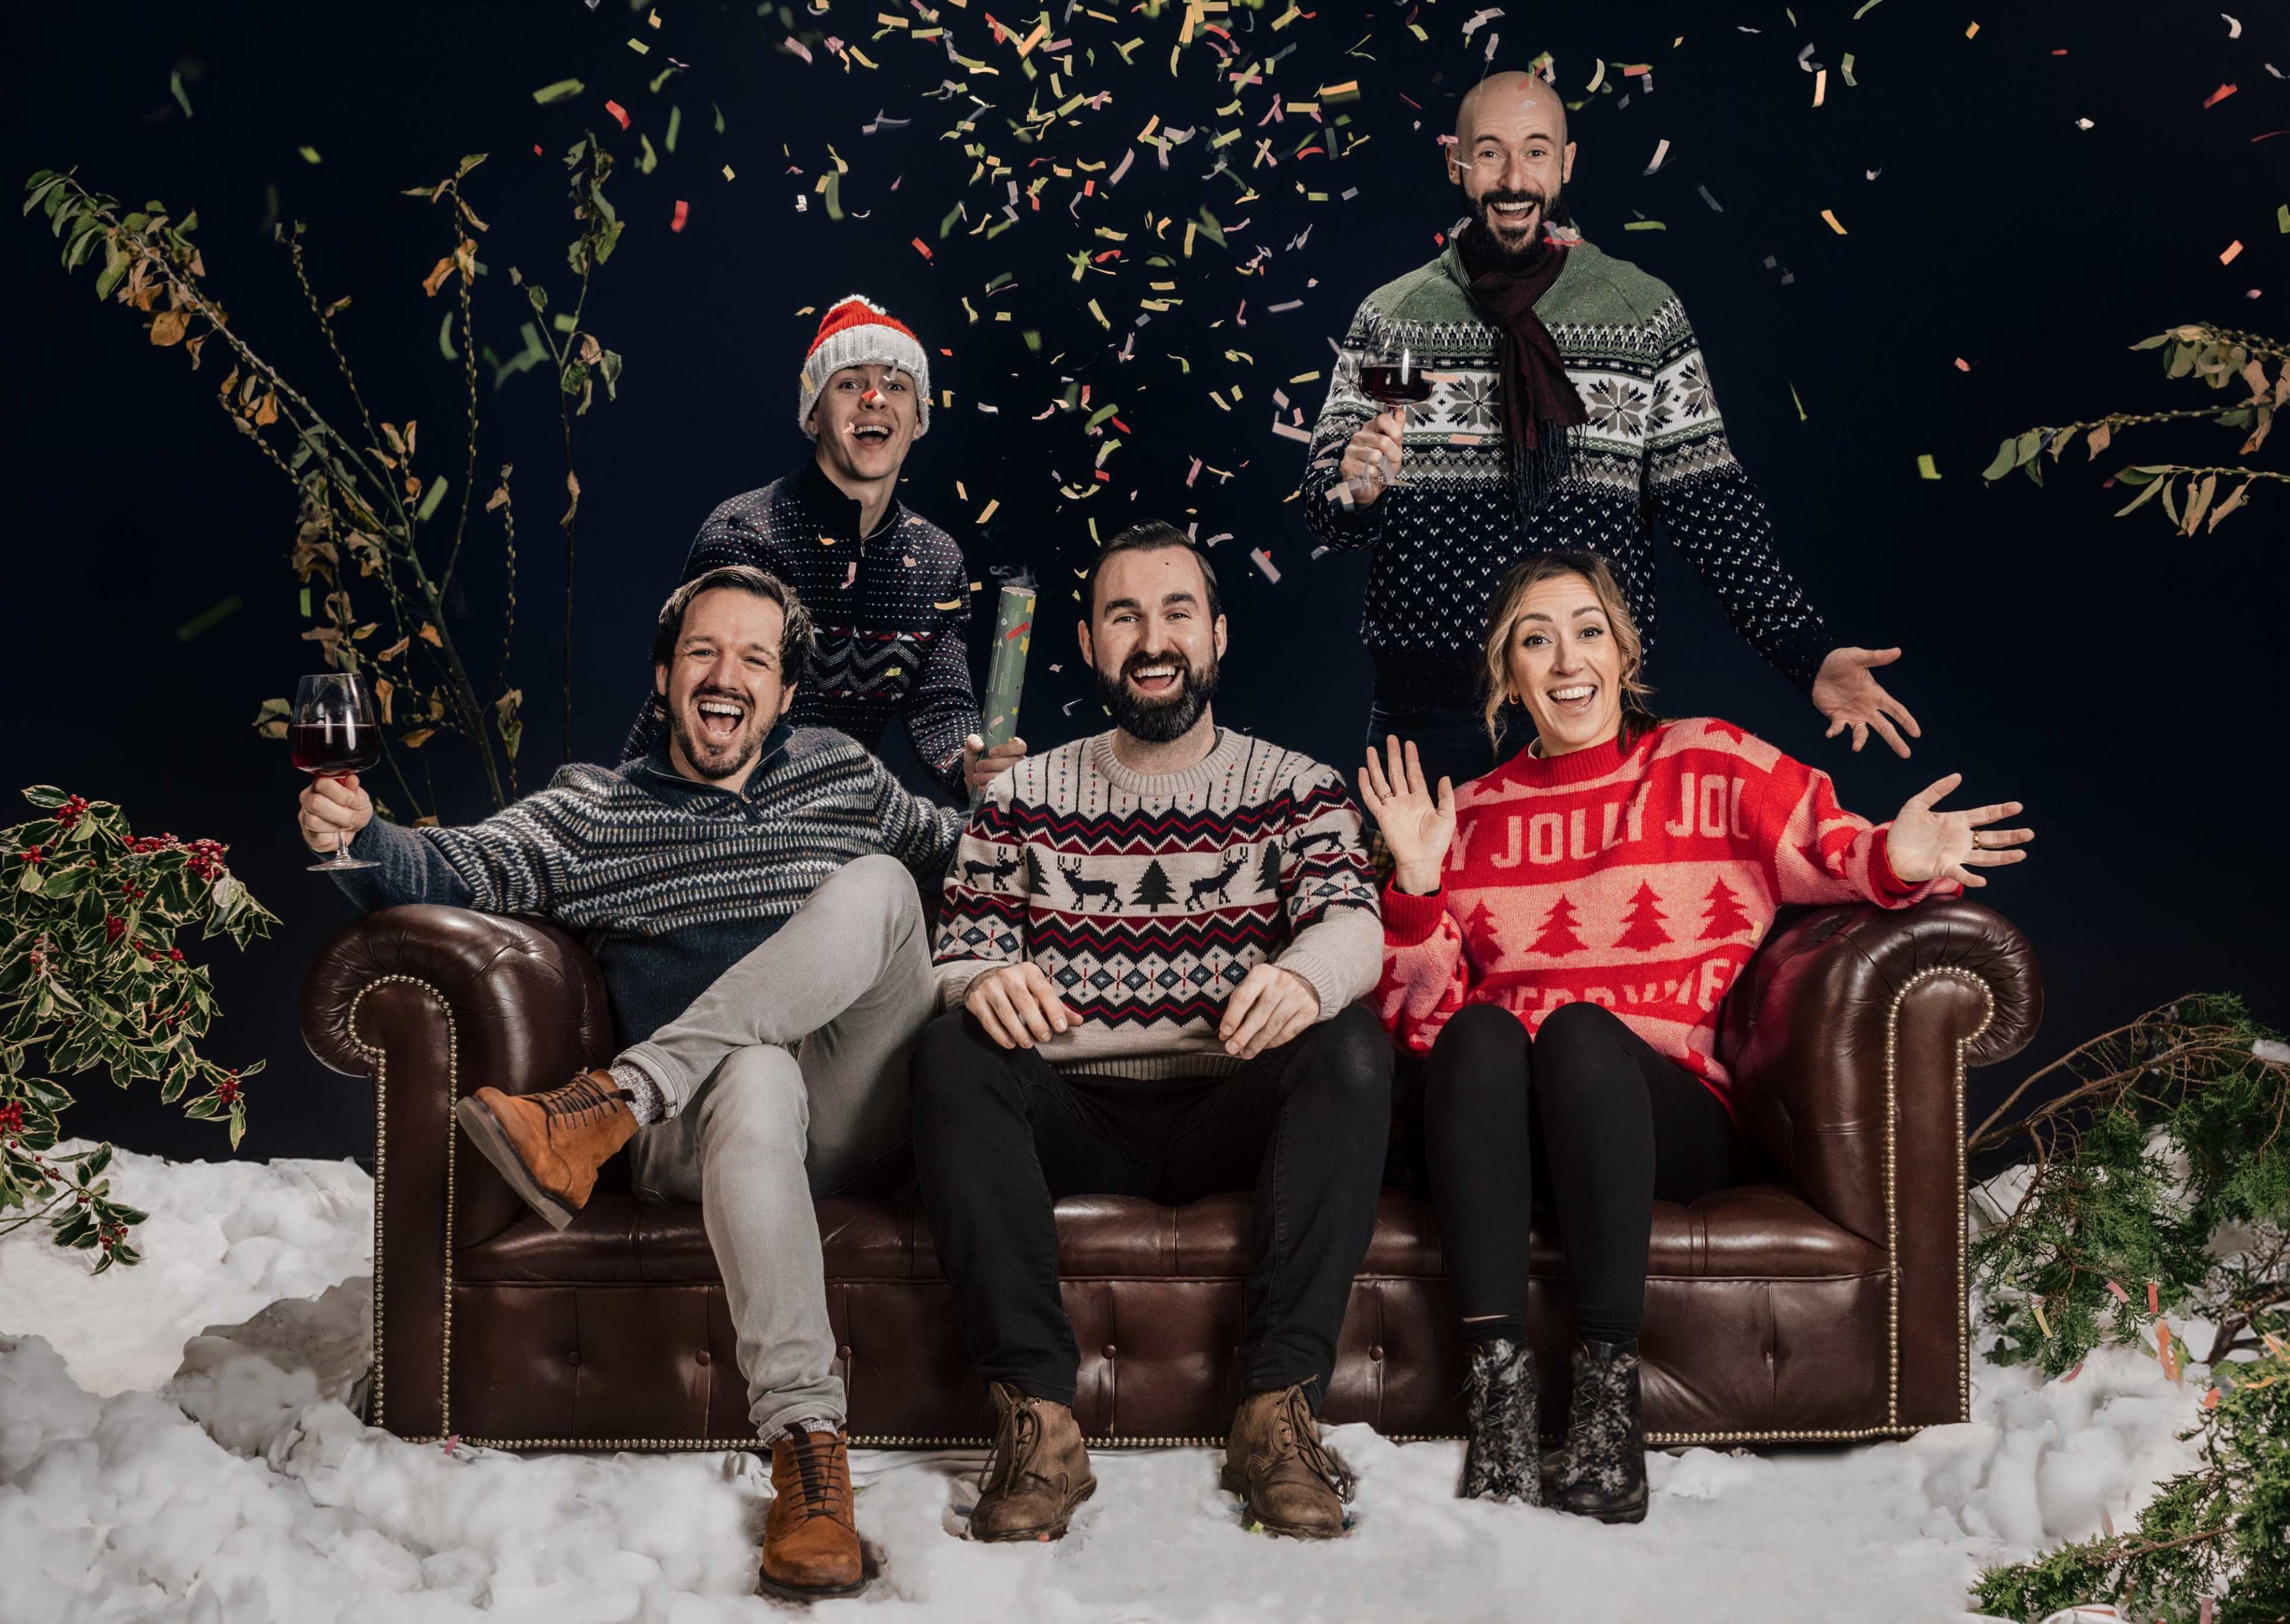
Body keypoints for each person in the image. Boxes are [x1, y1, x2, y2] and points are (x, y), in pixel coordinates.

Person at [299, 564, 964, 1601]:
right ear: (665, 675)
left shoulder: (845, 775)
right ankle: (810, 1459)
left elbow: (969, 853)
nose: (726, 674)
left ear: (786, 693)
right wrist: (357, 832)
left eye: (755, 657)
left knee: (881, 883)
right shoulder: (593, 811)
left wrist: (1021, 810)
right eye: (704, 651)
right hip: (701, 1132)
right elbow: (456, 867)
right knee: (750, 1072)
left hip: (849, 1102)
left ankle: (612, 1098)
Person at [1357, 550, 2032, 1523]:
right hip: (1507, 1137)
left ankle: (1604, 1403)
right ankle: (1499, 1394)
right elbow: (1417, 1027)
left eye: (1588, 630)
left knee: (1581, 1035)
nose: (1565, 658)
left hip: (1657, 1114)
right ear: (1508, 673)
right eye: (1535, 639)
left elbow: (1831, 843)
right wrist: (1417, 886)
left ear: (1623, 655)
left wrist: (1895, 854)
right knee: (1479, 1037)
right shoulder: (1470, 817)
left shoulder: (1707, 760)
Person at [911, 520, 1391, 1544]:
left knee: (1350, 1044)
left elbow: (1354, 921)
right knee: (952, 1050)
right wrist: (981, 980)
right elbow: (957, 949)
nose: (1153, 636)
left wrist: (1304, 980)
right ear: (1087, 644)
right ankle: (1039, 1420)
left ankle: (1276, 1409)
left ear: (1217, 636)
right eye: (1124, 614)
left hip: (1232, 1099)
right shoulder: (1022, 800)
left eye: (1177, 611)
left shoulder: (1300, 788)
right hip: (1076, 1108)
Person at [1302, 69, 1921, 791]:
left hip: (1587, 714)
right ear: (1457, 163)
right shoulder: (1401, 319)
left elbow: (1711, 513)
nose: (1513, 177)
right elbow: (1332, 513)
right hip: (1430, 726)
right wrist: (1358, 485)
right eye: (1491, 152)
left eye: (1536, 152)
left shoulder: (1640, 315)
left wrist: (1807, 654)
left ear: (1565, 164)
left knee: (1595, 913)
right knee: (1419, 907)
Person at [621, 293, 1025, 799]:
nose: (874, 398)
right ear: (813, 415)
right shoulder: (746, 535)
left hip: (824, 813)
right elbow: (775, 708)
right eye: (850, 382)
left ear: (919, 420)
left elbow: (941, 706)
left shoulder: (937, 562)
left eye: (896, 385)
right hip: (680, 802)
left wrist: (968, 763)